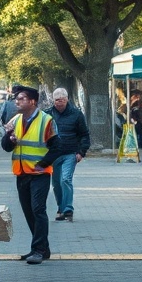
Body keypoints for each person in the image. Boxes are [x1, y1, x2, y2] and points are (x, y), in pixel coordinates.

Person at [1, 84, 60, 264]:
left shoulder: (46, 120)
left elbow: (57, 147)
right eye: (16, 99)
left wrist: (43, 164)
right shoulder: (17, 120)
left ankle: (38, 249)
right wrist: (9, 137)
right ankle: (42, 248)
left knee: (38, 209)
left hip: (39, 174)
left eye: (21, 99)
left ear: (32, 102)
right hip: (22, 173)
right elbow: (6, 147)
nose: (17, 101)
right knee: (28, 212)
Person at [47, 87, 90, 222]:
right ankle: (61, 208)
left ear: (67, 100)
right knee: (56, 183)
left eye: (62, 100)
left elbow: (84, 134)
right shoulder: (47, 114)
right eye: (57, 100)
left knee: (66, 179)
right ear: (53, 100)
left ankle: (68, 209)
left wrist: (81, 152)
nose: (59, 103)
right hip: (54, 154)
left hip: (70, 153)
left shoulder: (76, 114)